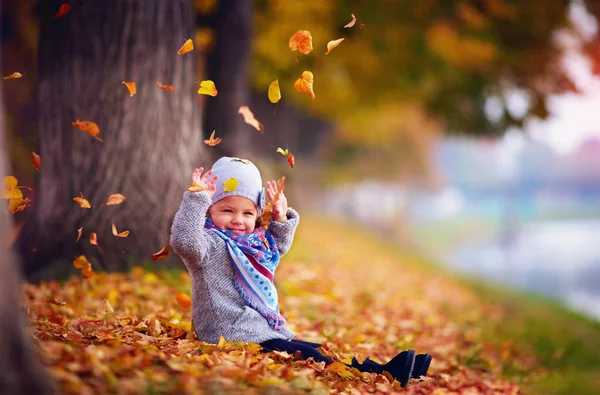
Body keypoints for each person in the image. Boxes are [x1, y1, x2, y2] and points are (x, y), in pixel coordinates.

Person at [170, 156, 431, 387]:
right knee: (307, 356)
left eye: (247, 212)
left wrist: (280, 218)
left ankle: (385, 370)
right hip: (227, 333)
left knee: (313, 348)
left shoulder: (253, 243)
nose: (238, 220)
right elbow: (184, 241)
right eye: (227, 210)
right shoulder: (208, 242)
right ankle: (381, 373)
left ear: (258, 213)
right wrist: (197, 197)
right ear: (209, 208)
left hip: (254, 329)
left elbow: (277, 247)